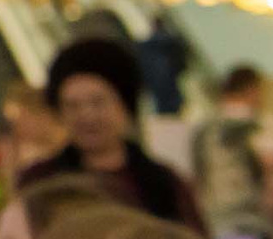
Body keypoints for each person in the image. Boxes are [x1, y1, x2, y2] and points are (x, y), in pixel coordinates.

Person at [15, 39, 205, 228]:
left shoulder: (163, 184)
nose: (87, 116)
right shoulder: (41, 183)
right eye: (73, 106)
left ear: (124, 106)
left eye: (98, 103)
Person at [193, 65, 273, 239]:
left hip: (213, 222)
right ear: (252, 89)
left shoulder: (201, 129)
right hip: (247, 223)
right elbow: (272, 165)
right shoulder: (253, 122)